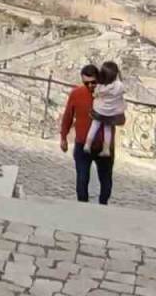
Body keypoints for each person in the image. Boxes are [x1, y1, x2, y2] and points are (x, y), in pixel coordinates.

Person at [60, 63, 123, 205]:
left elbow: (122, 119)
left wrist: (110, 116)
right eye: (86, 83)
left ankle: (102, 206)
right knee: (82, 179)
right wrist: (63, 137)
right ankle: (83, 208)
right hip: (83, 144)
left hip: (104, 147)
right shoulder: (76, 94)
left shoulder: (110, 95)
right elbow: (68, 117)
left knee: (106, 181)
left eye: (93, 82)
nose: (90, 86)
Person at [84, 61, 126, 158]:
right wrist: (119, 76)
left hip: (99, 111)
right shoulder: (118, 86)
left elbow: (94, 94)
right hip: (111, 113)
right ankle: (106, 149)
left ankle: (87, 144)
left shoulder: (100, 87)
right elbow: (123, 88)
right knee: (108, 129)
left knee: (94, 126)